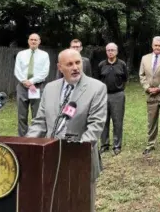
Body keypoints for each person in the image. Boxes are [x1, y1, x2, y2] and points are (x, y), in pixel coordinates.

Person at [26, 49, 107, 212]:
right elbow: (40, 122)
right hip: (50, 158)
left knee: (80, 205)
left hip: (80, 160)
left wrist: (74, 153)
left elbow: (95, 127)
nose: (75, 67)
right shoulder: (50, 88)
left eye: (78, 63)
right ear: (60, 67)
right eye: (69, 64)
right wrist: (27, 145)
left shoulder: (97, 88)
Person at [14, 33, 50, 136]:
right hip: (22, 87)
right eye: (31, 39)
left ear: (39, 41)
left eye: (35, 40)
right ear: (28, 41)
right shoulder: (21, 54)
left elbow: (45, 72)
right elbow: (17, 70)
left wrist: (31, 82)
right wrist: (25, 81)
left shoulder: (44, 55)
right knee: (21, 115)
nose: (33, 41)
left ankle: (36, 137)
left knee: (37, 114)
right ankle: (22, 138)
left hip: (36, 87)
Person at [97, 42, 128, 156]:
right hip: (103, 96)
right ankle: (104, 144)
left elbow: (125, 79)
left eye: (112, 50)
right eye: (108, 50)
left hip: (118, 95)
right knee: (103, 121)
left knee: (117, 121)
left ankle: (117, 145)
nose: (110, 52)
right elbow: (97, 80)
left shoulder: (122, 64)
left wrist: (119, 90)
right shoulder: (101, 65)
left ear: (117, 51)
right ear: (106, 52)